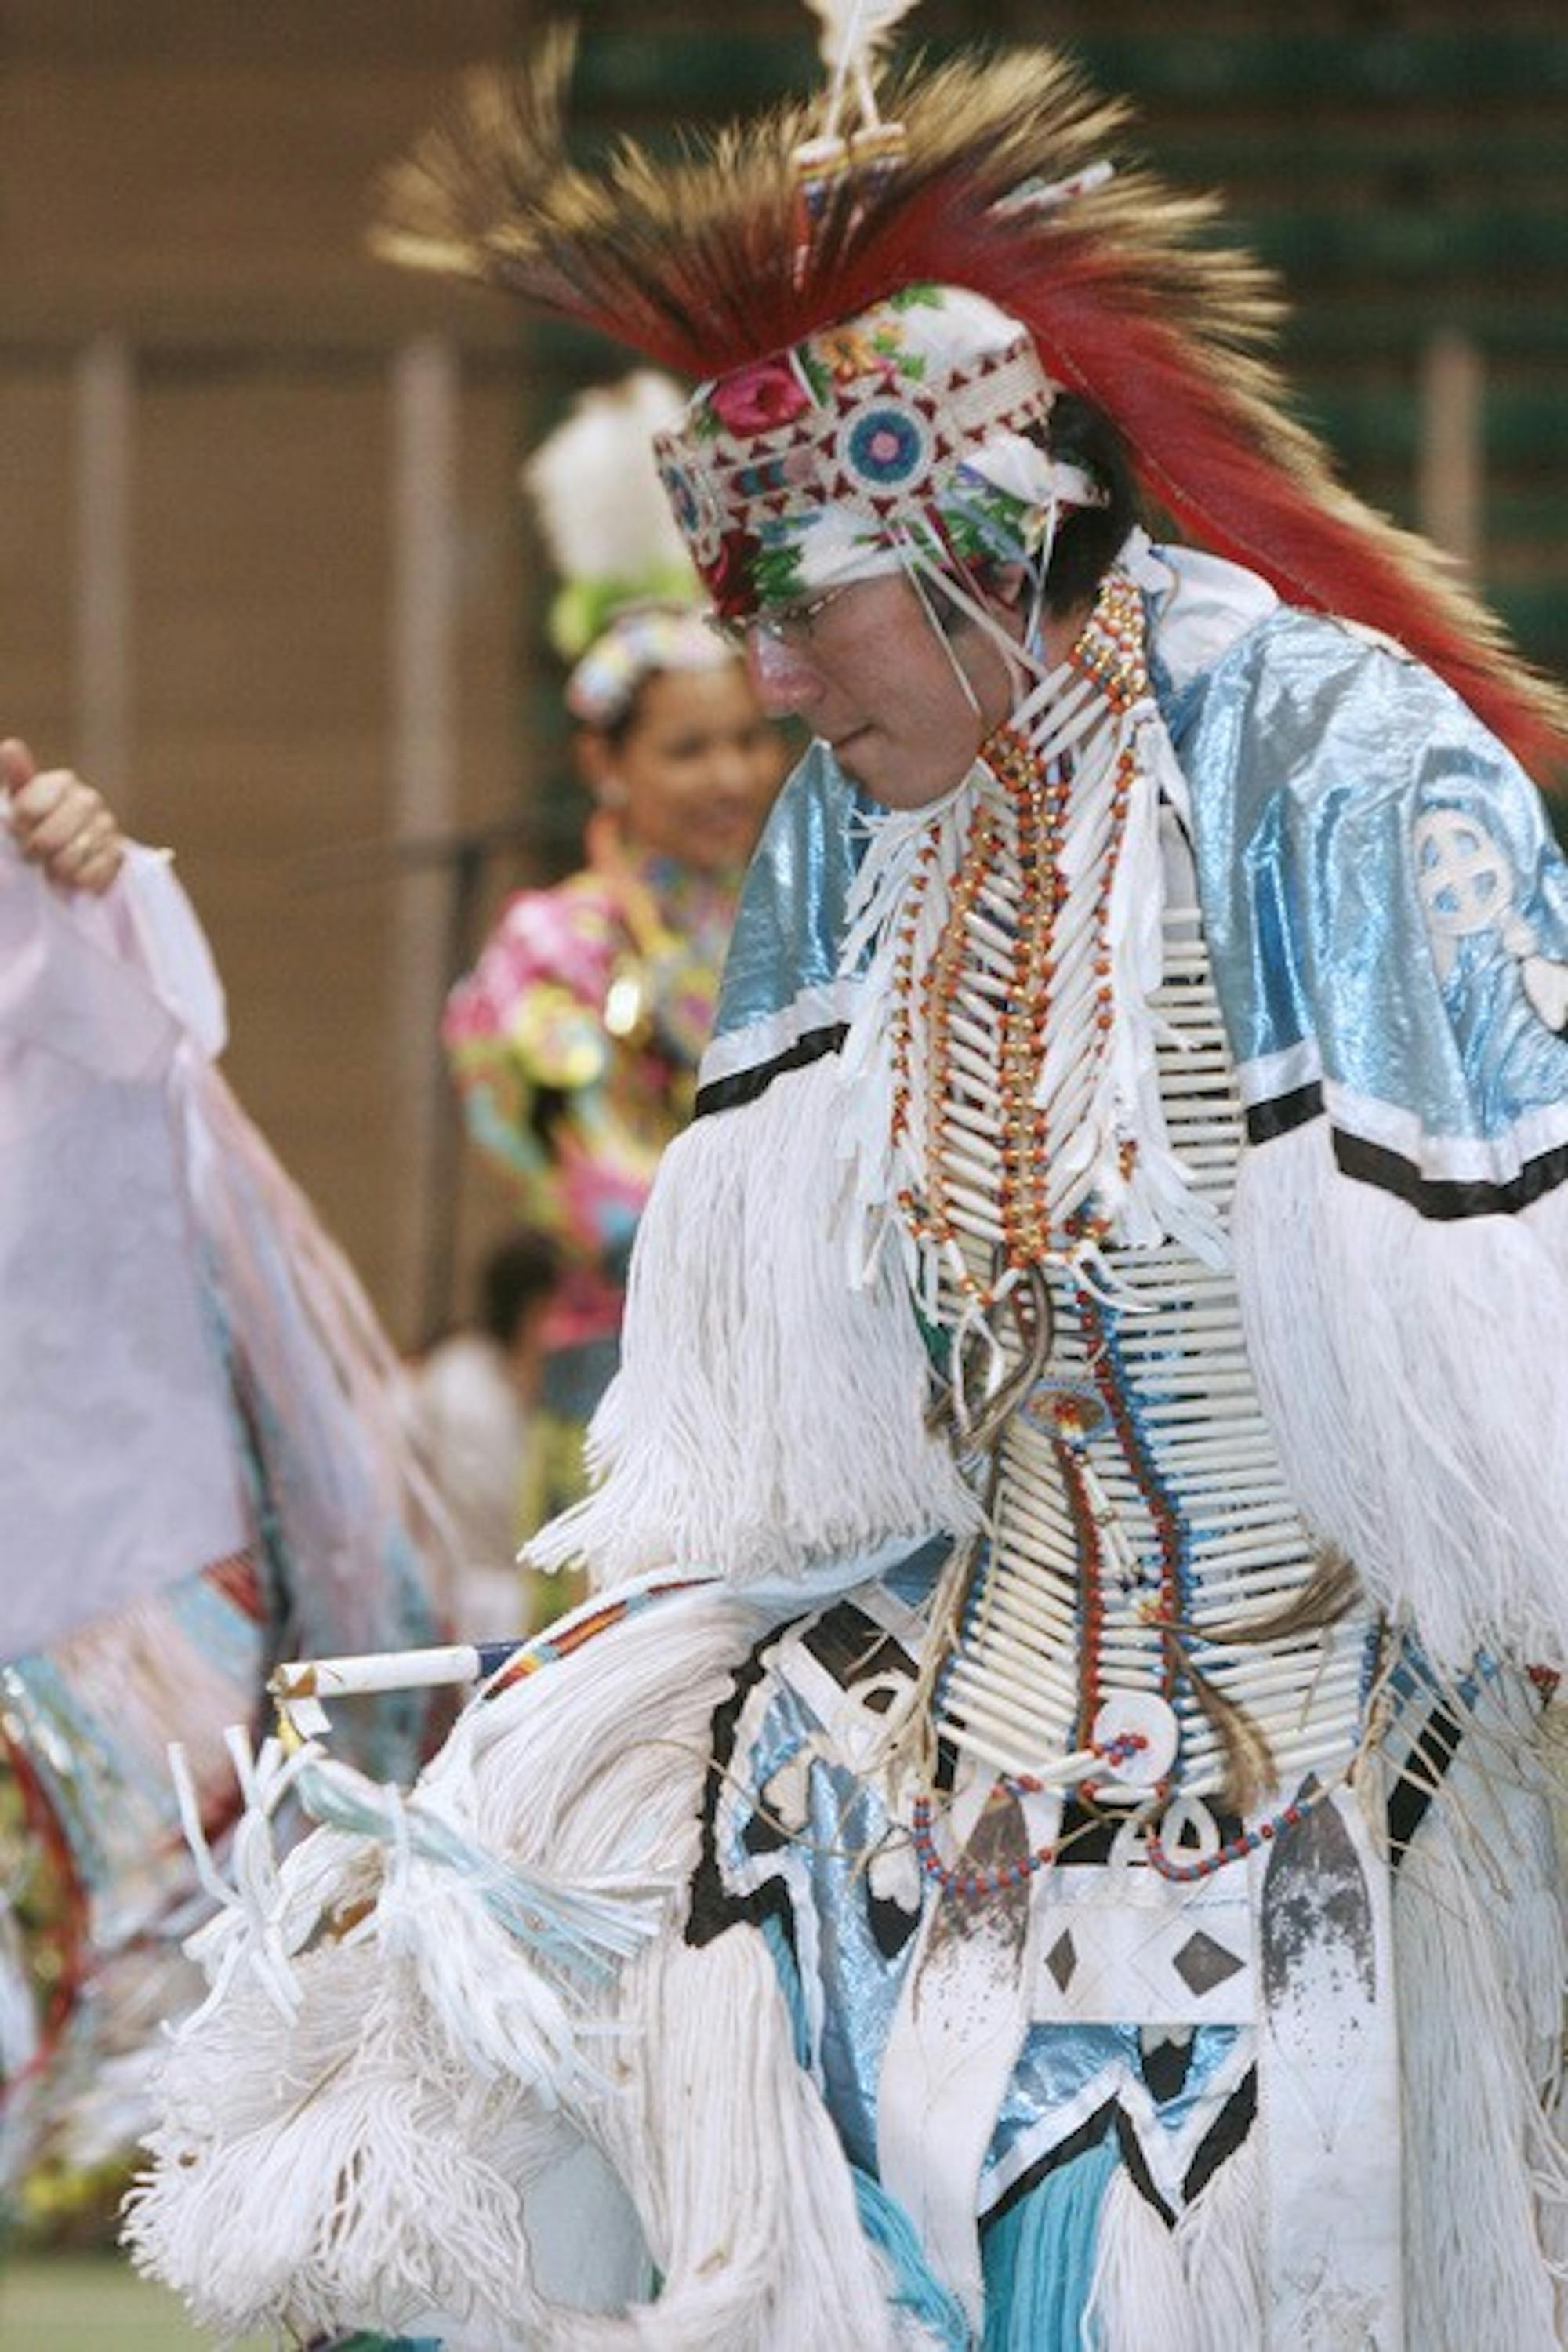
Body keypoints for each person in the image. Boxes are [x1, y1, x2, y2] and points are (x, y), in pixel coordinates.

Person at [130, 17, 1568, 2350]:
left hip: (1308, 1754)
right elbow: (789, 1401)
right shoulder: (855, 839)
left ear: (987, 533)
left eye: (809, 603)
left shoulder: (1324, 750)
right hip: (941, 1740)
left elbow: (1511, 1323)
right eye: (743, 617)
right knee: (498, 1976)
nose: (773, 674)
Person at [0, 740, 445, 2216]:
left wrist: (89, 887)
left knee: (177, 2018)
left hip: (92, 1584)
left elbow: (146, 1035)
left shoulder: (44, 904)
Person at [442, 372, 789, 1569]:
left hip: (818, 1381)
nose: (733, 776)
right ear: (604, 757)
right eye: (688, 748)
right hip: (626, 1386)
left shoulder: (811, 914)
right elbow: (596, 1200)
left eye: (750, 736)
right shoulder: (550, 953)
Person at [408, 1228, 562, 1641]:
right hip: (460, 1604)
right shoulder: (459, 1385)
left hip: (541, 1611)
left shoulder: (573, 1397)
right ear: (536, 1311)